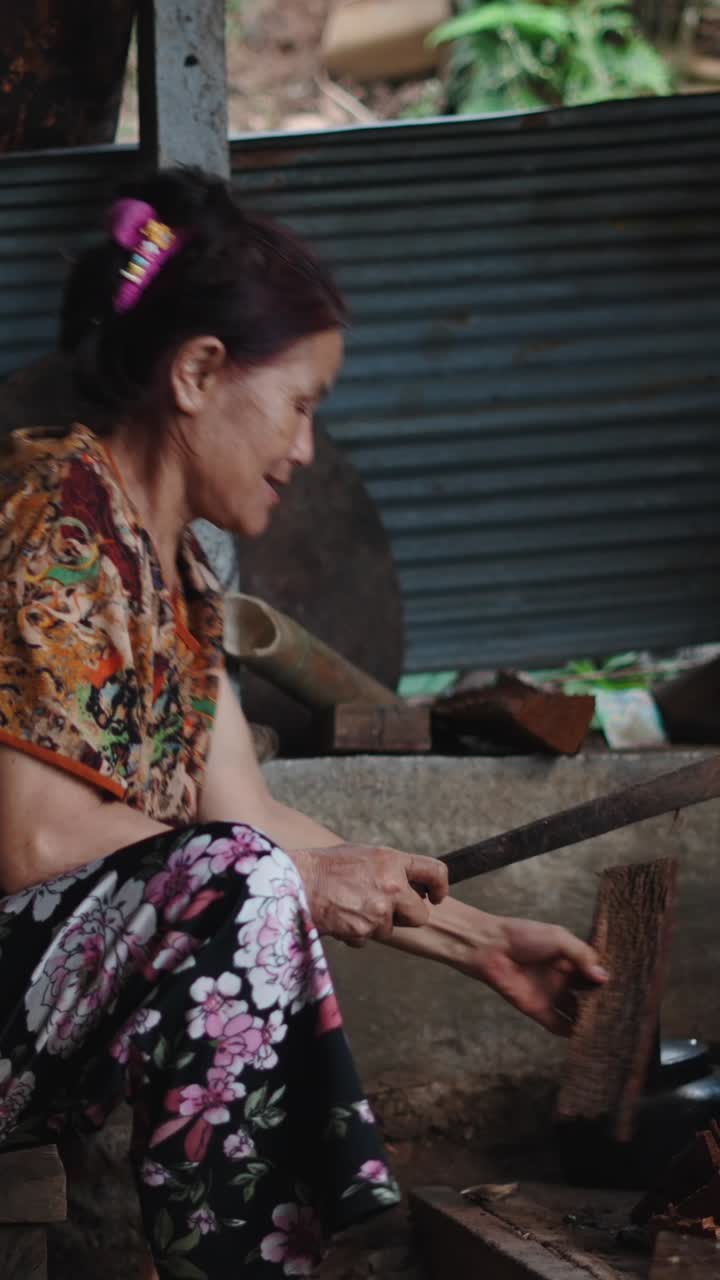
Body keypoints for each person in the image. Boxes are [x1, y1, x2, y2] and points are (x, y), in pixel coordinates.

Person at [0, 169, 607, 1279]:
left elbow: (255, 815)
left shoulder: (171, 572)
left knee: (242, 862)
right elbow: (34, 845)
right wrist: (276, 876)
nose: (307, 448)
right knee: (239, 873)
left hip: (33, 1011)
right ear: (198, 372)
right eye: (301, 402)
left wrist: (484, 944)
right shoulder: (56, 521)